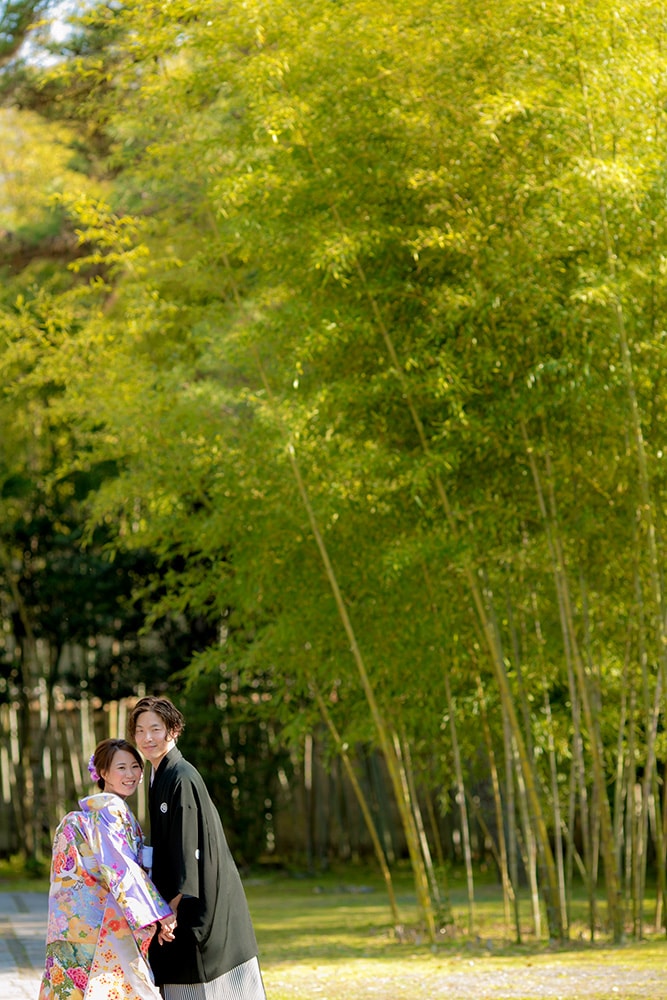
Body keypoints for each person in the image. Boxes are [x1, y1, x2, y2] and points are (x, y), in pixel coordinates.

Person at [128, 695, 267, 1000]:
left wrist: (169, 911)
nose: (147, 737)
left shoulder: (181, 776)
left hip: (198, 899)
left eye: (155, 728)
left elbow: (186, 849)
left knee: (207, 979)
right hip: (181, 901)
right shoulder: (159, 774)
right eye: (140, 730)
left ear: (173, 730)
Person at [39, 738, 178, 1000]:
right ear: (103, 774)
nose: (131, 774)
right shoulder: (110, 811)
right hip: (98, 924)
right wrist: (161, 912)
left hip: (73, 923)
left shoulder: (100, 811)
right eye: (121, 768)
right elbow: (122, 870)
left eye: (135, 767)